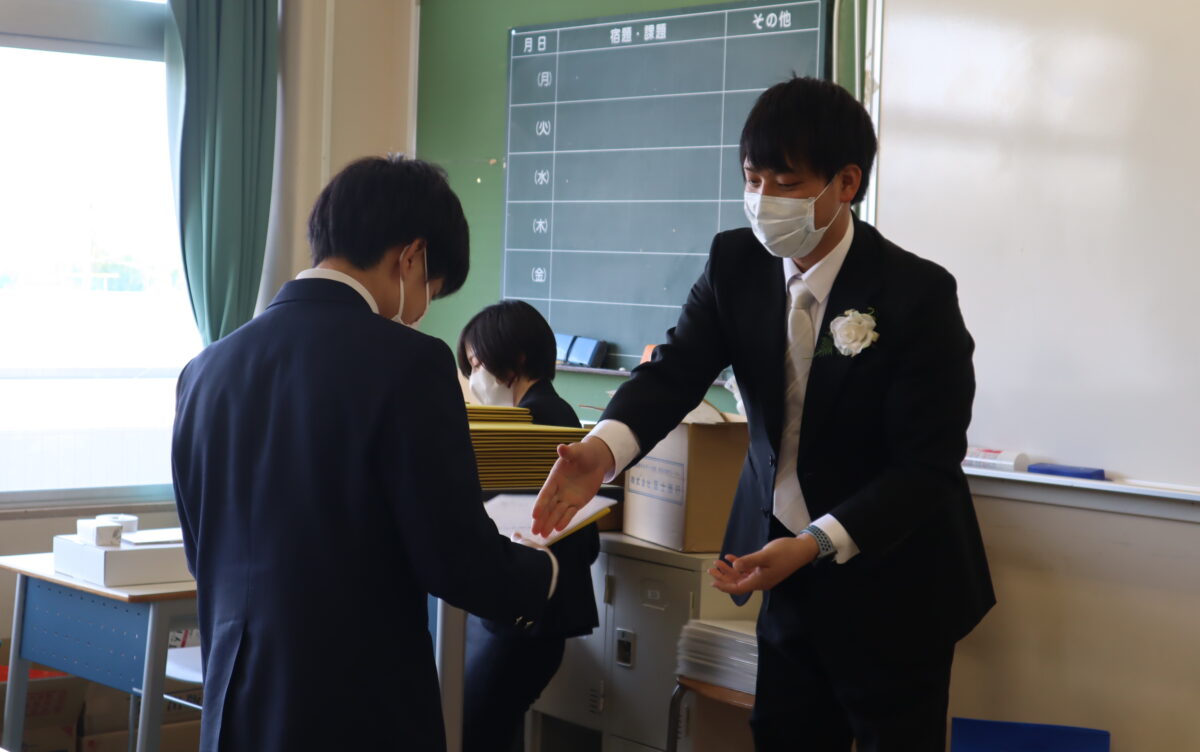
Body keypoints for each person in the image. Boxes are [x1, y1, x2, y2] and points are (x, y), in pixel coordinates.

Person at [532, 78, 995, 751]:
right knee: (783, 734)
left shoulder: (915, 293)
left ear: (846, 183)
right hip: (783, 569)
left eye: (786, 182)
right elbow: (675, 372)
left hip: (897, 576)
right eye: (753, 179)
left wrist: (813, 544)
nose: (763, 199)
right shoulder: (736, 263)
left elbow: (926, 466)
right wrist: (600, 452)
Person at [172, 156, 563, 752]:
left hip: (234, 704)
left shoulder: (205, 371)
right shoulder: (411, 363)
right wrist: (541, 573)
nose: (422, 308)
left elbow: (201, 550)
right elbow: (451, 555)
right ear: (411, 257)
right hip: (356, 708)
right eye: (431, 289)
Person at [455, 300, 600, 752]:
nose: (474, 376)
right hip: (525, 615)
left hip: (529, 619)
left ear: (516, 358)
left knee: (475, 730)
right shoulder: (547, 412)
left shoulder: (539, 419)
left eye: (478, 363)